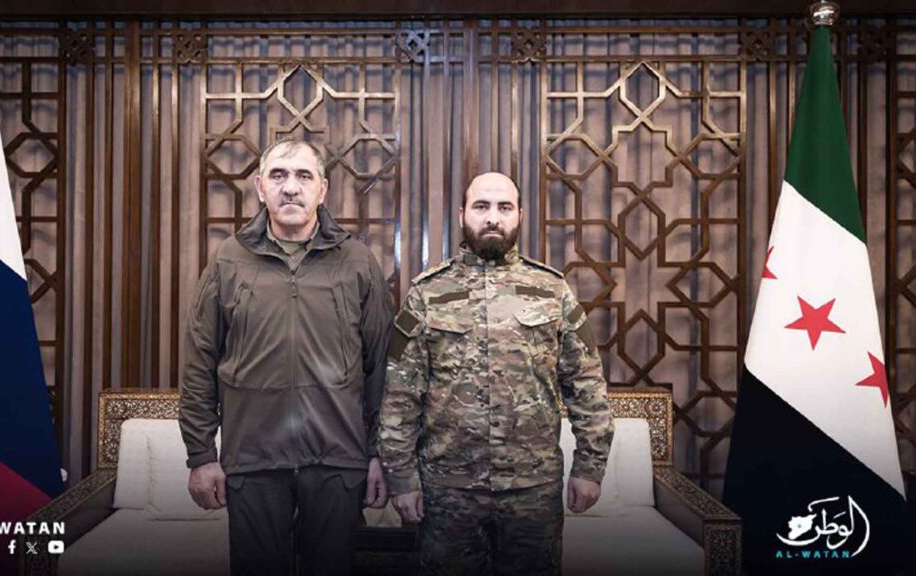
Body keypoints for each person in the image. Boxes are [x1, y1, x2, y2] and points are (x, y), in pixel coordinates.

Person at [379, 172, 614, 576]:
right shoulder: (427, 293)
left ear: (520, 215)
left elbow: (587, 385)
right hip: (448, 490)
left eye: (504, 207)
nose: (492, 217)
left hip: (532, 490)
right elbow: (400, 396)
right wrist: (402, 478)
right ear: (462, 215)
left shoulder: (552, 290)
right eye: (481, 206)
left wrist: (589, 468)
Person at [180, 138, 393, 576]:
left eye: (303, 176)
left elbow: (383, 369)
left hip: (337, 461)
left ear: (322, 189)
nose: (290, 187)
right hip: (253, 461)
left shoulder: (357, 262)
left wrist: (379, 454)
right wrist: (201, 456)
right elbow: (200, 362)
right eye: (278, 176)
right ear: (260, 188)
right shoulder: (228, 260)